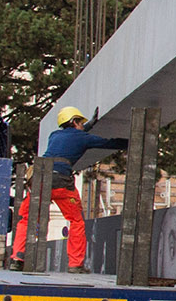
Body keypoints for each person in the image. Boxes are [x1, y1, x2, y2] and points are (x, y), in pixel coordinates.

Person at [10, 106, 126, 268]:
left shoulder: (54, 135)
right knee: (76, 221)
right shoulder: (84, 138)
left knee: (27, 219)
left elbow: (72, 136)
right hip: (61, 183)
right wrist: (131, 142)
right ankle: (75, 264)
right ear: (74, 122)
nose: (82, 126)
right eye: (80, 123)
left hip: (40, 181)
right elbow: (108, 143)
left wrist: (89, 125)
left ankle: (17, 258)